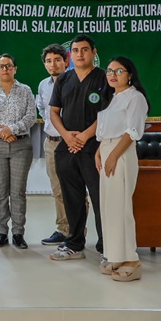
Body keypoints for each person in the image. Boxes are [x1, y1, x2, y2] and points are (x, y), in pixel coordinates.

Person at [49, 34, 113, 262]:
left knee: (99, 198)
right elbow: (54, 112)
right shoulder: (64, 80)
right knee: (72, 198)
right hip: (68, 147)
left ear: (93, 53)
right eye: (75, 50)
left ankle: (108, 248)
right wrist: (66, 136)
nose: (79, 54)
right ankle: (74, 244)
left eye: (84, 50)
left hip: (94, 148)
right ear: (71, 54)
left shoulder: (105, 78)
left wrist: (85, 135)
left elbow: (108, 113)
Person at [95, 56, 149, 281]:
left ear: (129, 74)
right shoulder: (113, 98)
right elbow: (107, 127)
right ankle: (115, 255)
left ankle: (131, 260)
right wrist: (100, 150)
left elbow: (132, 131)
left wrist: (114, 155)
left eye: (118, 71)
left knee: (121, 207)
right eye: (109, 71)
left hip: (121, 153)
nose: (112, 75)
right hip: (107, 150)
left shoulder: (135, 98)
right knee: (109, 208)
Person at [0, 54, 36, 249]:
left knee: (18, 191)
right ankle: (1, 232)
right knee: (0, 191)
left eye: (9, 66)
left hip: (21, 145)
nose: (5, 69)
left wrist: (11, 130)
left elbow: (31, 116)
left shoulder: (26, 90)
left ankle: (18, 233)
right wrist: (0, 132)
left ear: (15, 69)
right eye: (1, 66)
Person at [36, 44, 88, 246]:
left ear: (66, 61)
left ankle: (78, 231)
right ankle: (63, 229)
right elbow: (43, 108)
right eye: (48, 61)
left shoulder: (77, 80)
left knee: (76, 190)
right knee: (57, 189)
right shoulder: (43, 85)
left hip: (75, 144)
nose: (52, 64)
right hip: (52, 143)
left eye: (57, 60)